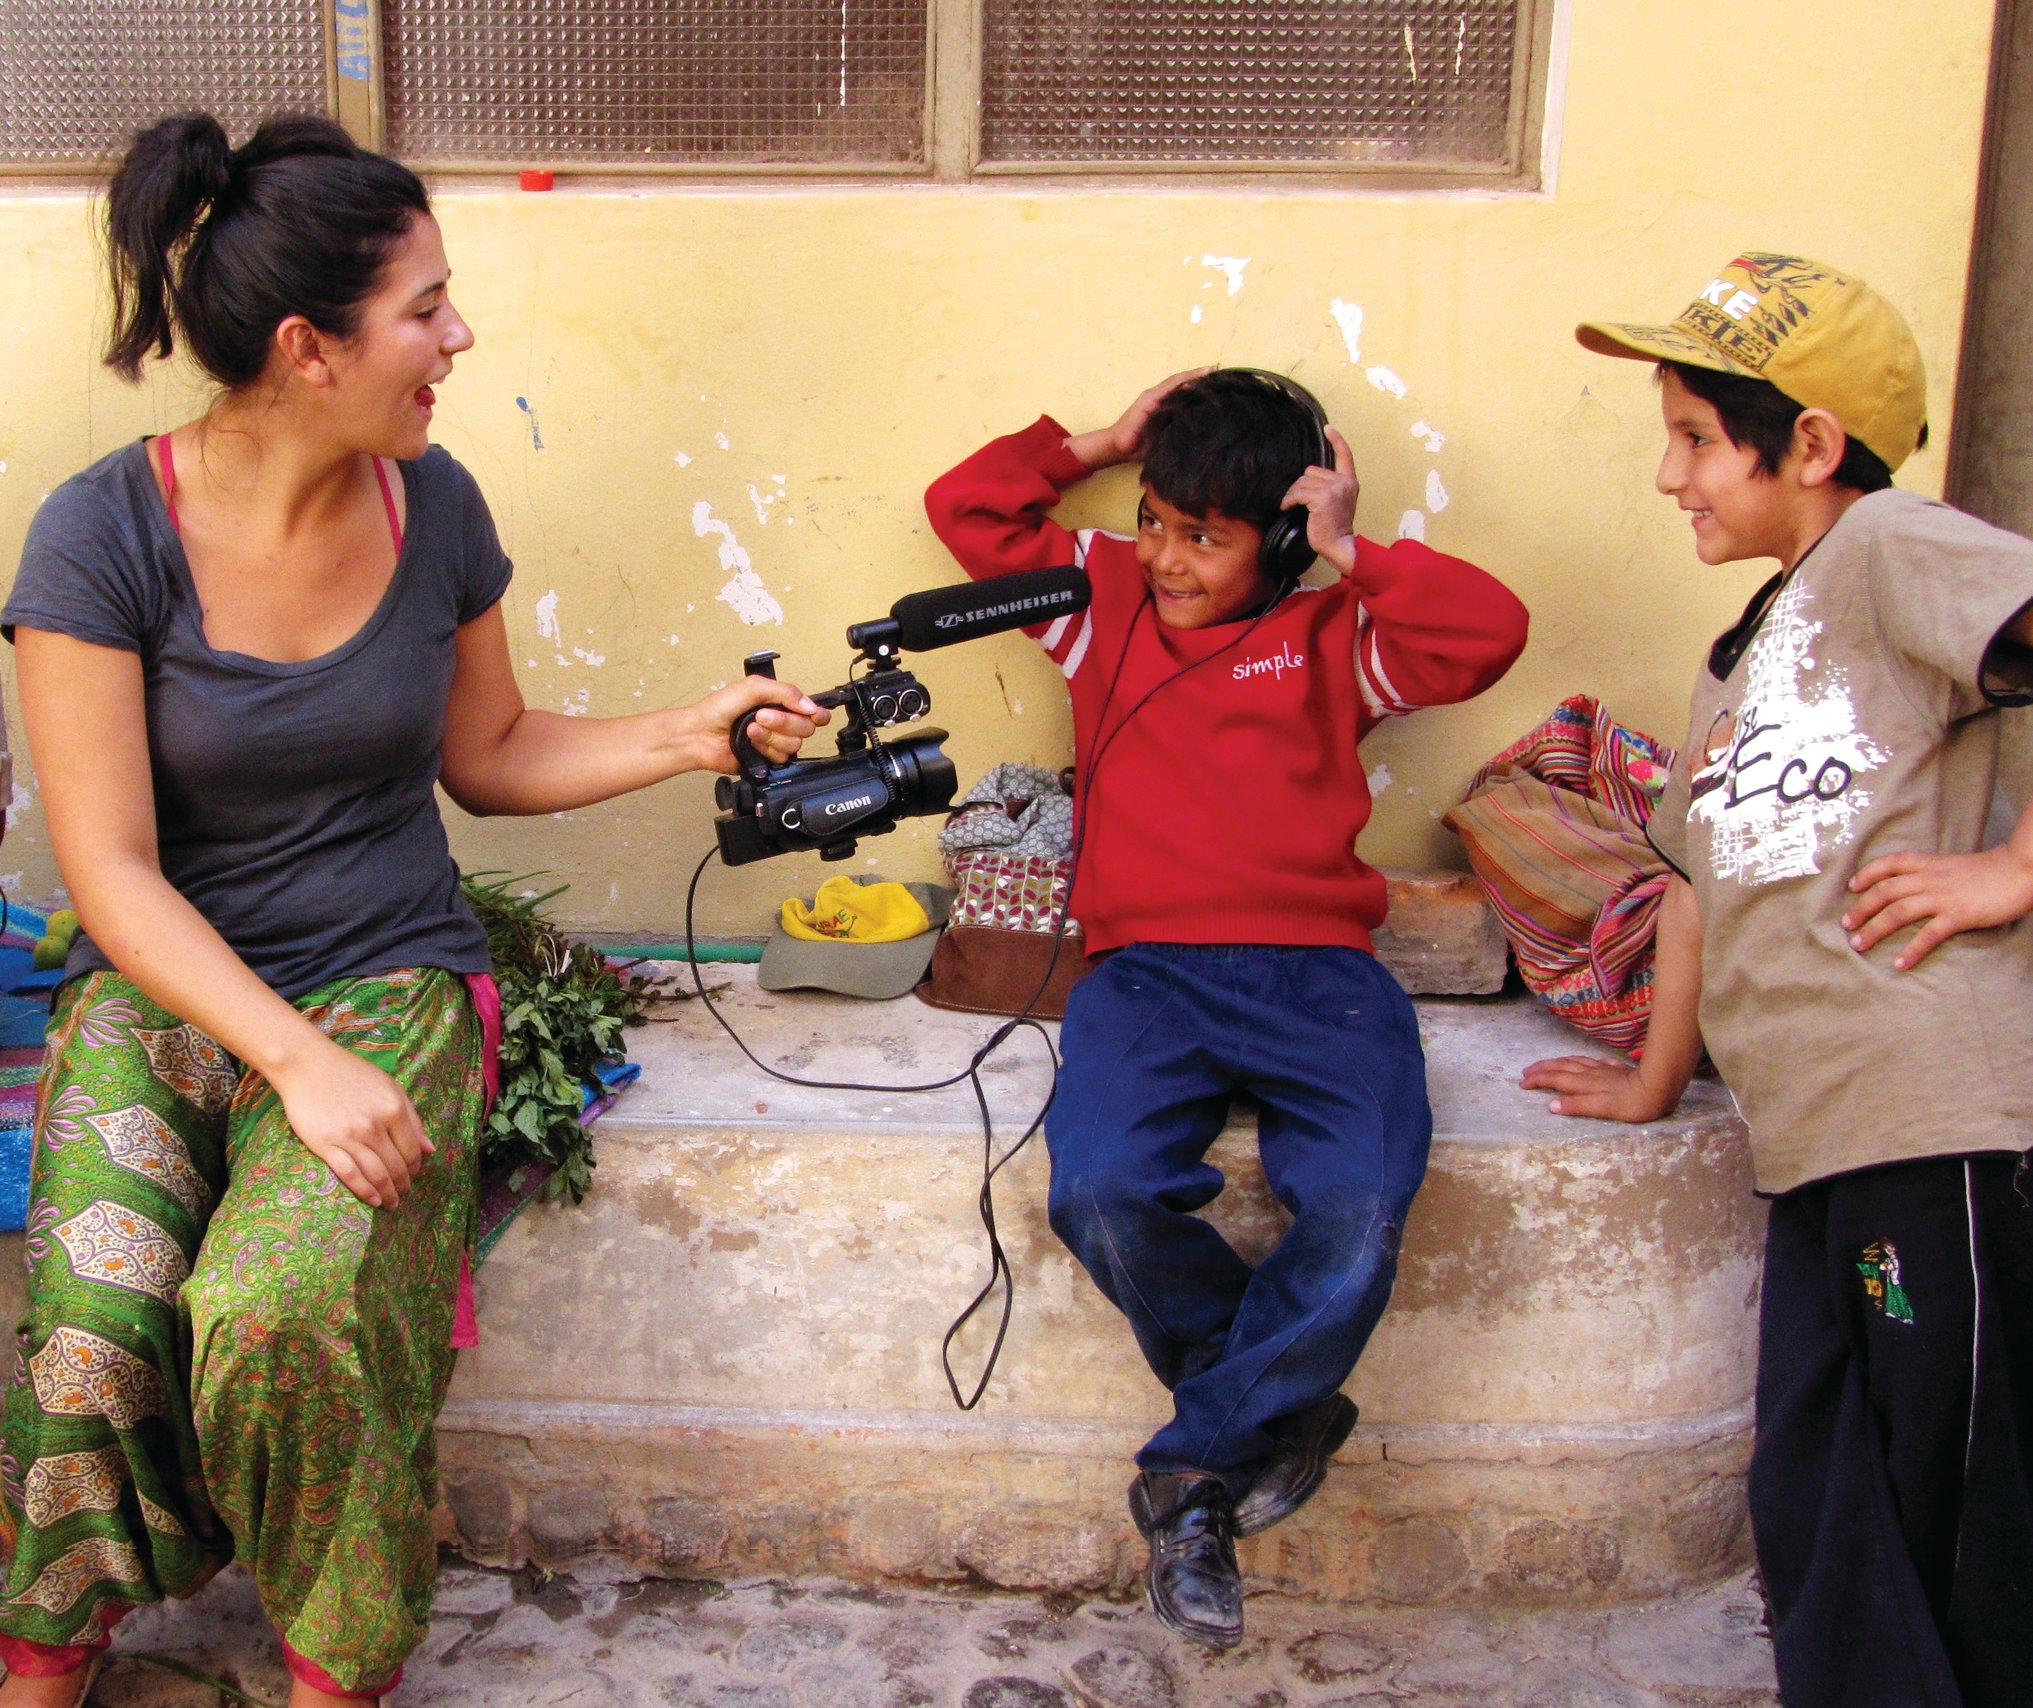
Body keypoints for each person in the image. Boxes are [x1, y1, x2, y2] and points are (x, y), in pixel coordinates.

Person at [0, 113, 826, 1707]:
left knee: (284, 1307)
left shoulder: (431, 507)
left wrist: (690, 730)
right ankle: (48, 1648)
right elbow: (112, 872)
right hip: (169, 991)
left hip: (388, 977)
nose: (461, 337)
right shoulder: (101, 535)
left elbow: (491, 754)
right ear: (307, 349)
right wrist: (292, 1061)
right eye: (426, 308)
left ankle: (336, 1666)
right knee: (95, 1325)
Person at [925, 368, 1529, 1648]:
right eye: (1152, 520)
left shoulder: (1333, 637)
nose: (1165, 557)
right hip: (1144, 975)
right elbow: (965, 508)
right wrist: (1098, 442)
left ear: (1283, 541)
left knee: (1358, 1209)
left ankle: (1191, 1471)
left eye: (1204, 537)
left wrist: (1353, 550)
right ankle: (1259, 1417)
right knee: (1098, 1192)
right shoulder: (1099, 600)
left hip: (1320, 976)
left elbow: (1486, 633)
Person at [1521, 253, 2033, 1708]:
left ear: (1807, 442)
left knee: (1955, 1508)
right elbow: (1698, 883)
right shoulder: (1747, 647)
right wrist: (1654, 1076)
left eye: (1694, 438)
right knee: (1818, 1490)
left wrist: (2010, 871)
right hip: (1814, 1144)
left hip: (1936, 1123)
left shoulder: (1888, 546)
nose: (1668, 476)